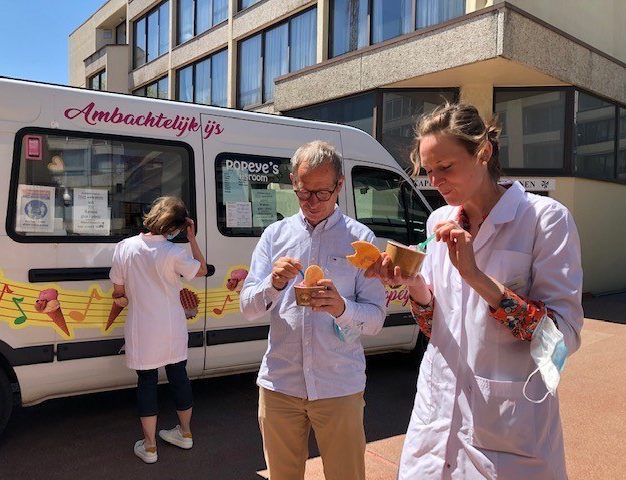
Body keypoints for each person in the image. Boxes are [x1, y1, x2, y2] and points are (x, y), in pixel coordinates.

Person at [366, 103, 583, 479]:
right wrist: (413, 285)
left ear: (483, 152)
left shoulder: (545, 221)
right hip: (435, 420)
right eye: (428, 171)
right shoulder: (439, 221)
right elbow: (435, 325)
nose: (435, 181)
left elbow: (561, 342)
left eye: (445, 167)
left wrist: (476, 277)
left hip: (507, 431)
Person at [240, 140, 387, 480]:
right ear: (294, 182)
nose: (313, 203)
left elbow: (376, 319)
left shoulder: (361, 239)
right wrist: (272, 284)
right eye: (304, 193)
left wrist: (341, 308)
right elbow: (248, 308)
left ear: (340, 185)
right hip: (280, 384)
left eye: (323, 193)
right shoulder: (275, 236)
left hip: (339, 385)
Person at [109, 196, 208, 464]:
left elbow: (118, 292)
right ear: (175, 228)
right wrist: (192, 239)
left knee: (147, 382)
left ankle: (150, 446)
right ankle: (185, 434)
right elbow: (202, 270)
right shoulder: (174, 252)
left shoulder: (125, 247)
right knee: (179, 377)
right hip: (172, 327)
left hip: (142, 328)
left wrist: (128, 296)